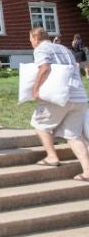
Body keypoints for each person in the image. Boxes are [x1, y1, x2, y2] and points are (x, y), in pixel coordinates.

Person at [29, 27, 89, 182]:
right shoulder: (64, 49)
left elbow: (45, 68)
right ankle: (87, 171)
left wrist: (35, 89)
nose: (31, 43)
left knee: (40, 124)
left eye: (31, 40)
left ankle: (51, 156)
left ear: (35, 38)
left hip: (58, 96)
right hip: (79, 96)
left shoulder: (41, 49)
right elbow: (76, 69)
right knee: (73, 135)